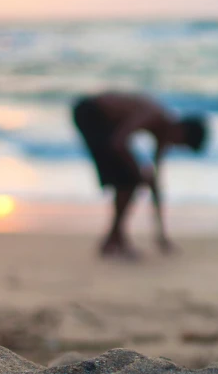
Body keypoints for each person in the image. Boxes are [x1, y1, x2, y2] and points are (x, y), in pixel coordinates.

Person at [72, 92, 208, 259]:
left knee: (127, 181)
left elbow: (155, 182)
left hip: (105, 122)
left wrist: (160, 234)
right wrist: (139, 172)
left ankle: (113, 239)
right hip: (91, 112)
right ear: (181, 130)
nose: (176, 146)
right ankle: (115, 239)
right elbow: (119, 142)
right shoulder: (154, 115)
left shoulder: (164, 134)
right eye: (181, 143)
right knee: (128, 180)